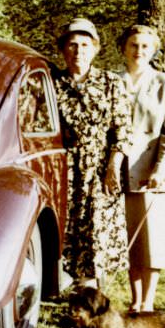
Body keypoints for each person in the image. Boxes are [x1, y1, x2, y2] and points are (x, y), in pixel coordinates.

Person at [52, 17, 132, 288]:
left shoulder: (110, 82)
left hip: (100, 169)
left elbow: (123, 129)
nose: (79, 51)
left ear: (95, 49)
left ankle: (92, 295)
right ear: (63, 49)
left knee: (96, 229)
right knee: (68, 228)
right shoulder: (52, 84)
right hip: (65, 166)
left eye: (85, 45)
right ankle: (72, 289)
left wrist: (113, 166)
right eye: (72, 45)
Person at [118, 24, 165, 313]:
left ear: (153, 51)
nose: (139, 51)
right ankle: (135, 303)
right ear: (124, 48)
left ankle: (148, 304)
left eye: (145, 46)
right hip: (123, 172)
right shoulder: (113, 81)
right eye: (134, 45)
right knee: (130, 241)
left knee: (154, 242)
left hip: (157, 174)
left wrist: (160, 168)